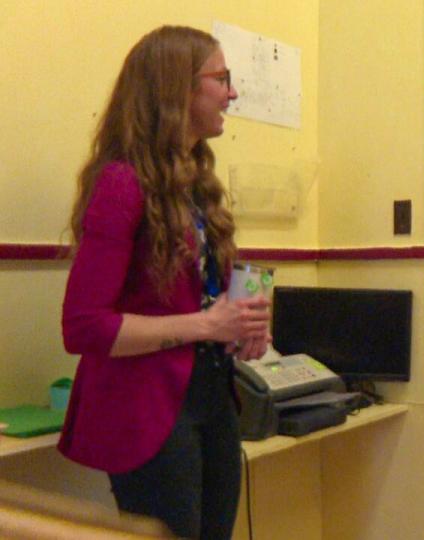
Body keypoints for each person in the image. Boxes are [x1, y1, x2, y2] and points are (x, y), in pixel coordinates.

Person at [59, 26, 272, 538]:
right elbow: (83, 328)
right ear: (177, 87)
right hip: (148, 413)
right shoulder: (121, 183)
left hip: (211, 400)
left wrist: (243, 322)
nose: (232, 93)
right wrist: (206, 323)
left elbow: (198, 301)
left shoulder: (196, 181)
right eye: (221, 79)